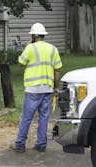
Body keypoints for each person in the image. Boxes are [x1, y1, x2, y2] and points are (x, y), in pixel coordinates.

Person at [11, 23, 62, 152]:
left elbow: (20, 63)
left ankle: (20, 144)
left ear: (33, 35)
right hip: (47, 89)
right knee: (44, 117)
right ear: (44, 35)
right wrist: (56, 87)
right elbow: (57, 70)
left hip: (33, 90)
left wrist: (29, 45)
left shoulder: (30, 48)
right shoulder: (53, 49)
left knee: (26, 118)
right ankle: (41, 144)